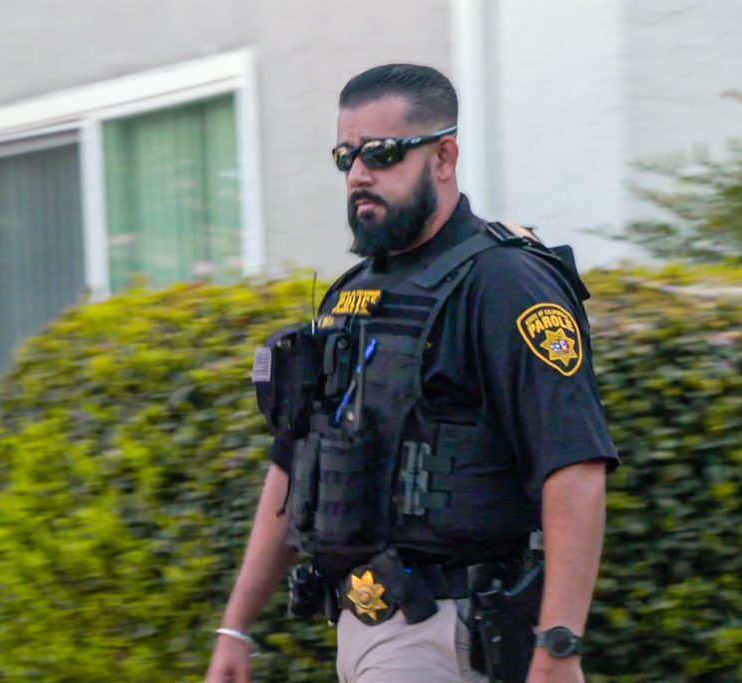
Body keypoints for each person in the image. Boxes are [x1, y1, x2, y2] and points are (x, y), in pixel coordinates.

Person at [205, 63, 618, 683]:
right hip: (363, 628)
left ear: (444, 156)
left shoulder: (506, 283)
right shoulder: (351, 295)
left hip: (447, 631)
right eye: (346, 156)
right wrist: (236, 627)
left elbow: (575, 467)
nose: (359, 175)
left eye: (383, 153)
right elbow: (295, 464)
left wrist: (557, 649)